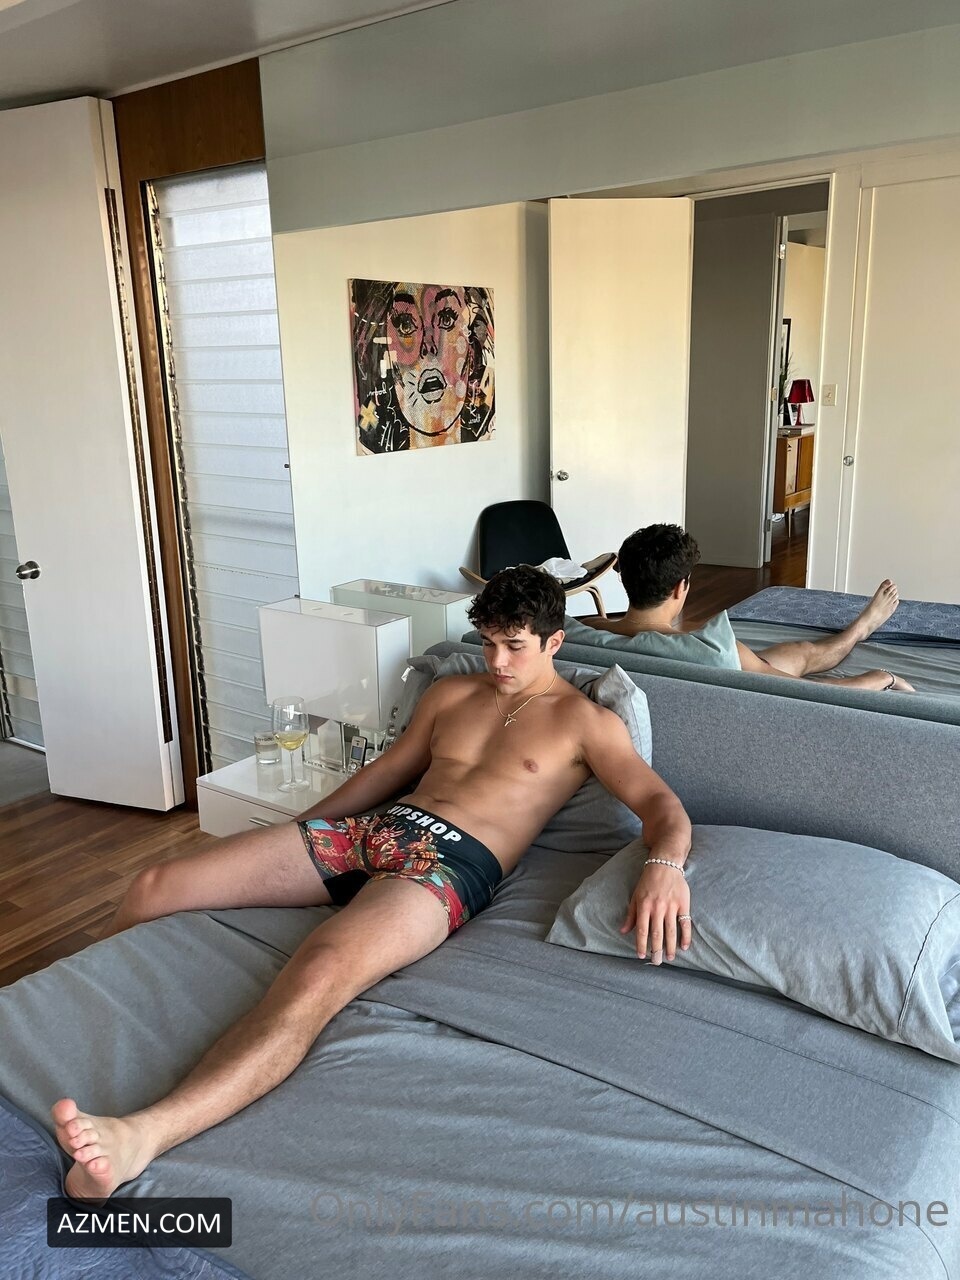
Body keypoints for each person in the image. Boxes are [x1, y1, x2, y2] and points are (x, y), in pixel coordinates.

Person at [51, 566, 691, 1201]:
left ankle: (141, 1137)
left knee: (319, 971)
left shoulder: (585, 723)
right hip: (373, 830)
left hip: (447, 865)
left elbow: (662, 808)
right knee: (155, 884)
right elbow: (383, 775)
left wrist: (663, 869)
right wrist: (299, 830)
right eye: (488, 642)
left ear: (554, 641)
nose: (497, 660)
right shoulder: (450, 695)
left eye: (515, 646)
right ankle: (69, 1011)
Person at [585, 523, 914, 691]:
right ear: (680, 587)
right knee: (802, 656)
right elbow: (808, 694)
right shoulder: (716, 652)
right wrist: (880, 678)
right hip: (733, 676)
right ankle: (859, 629)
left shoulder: (580, 632)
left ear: (625, 580)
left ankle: (858, 629)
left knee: (798, 652)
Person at [350, 279, 495, 452]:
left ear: (470, 334)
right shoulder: (369, 434)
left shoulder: (491, 421)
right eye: (405, 325)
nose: (429, 347)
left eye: (447, 319)